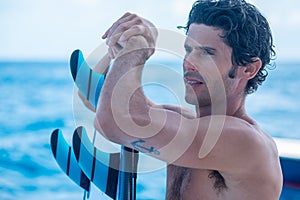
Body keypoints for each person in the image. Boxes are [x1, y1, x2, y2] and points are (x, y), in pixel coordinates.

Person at [83, 0, 283, 199]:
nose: (189, 63)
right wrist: (119, 48)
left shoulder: (245, 141)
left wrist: (138, 48)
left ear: (248, 69)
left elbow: (113, 120)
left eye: (207, 53)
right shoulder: (188, 124)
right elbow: (95, 101)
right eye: (188, 50)